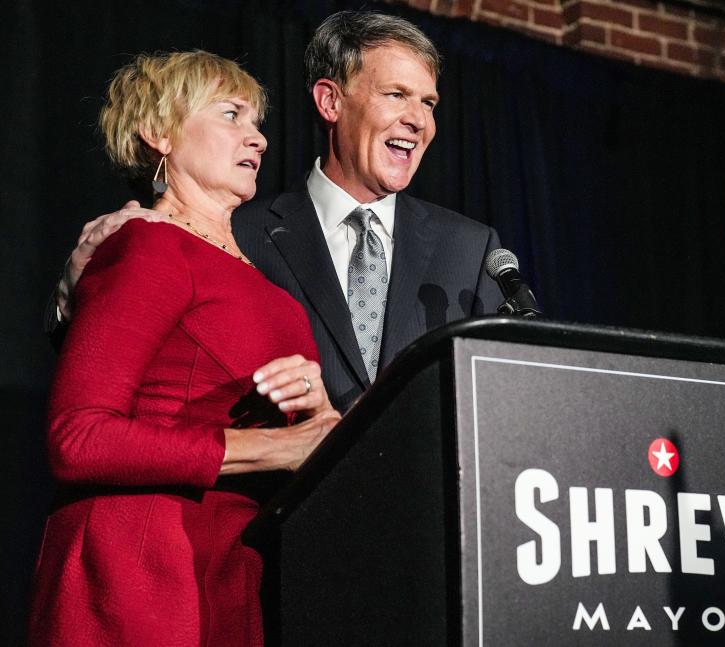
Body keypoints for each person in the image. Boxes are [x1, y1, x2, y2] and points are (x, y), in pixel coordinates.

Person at [30, 51, 340, 647]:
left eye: (259, 124)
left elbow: (304, 450)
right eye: (232, 114)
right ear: (159, 133)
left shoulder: (264, 277)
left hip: (232, 568)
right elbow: (79, 438)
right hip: (140, 577)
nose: (258, 139)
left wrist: (320, 415)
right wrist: (277, 444)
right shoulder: (149, 246)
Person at [52, 11, 504, 413]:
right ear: (330, 101)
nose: (419, 120)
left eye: (428, 103)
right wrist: (70, 296)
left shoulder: (470, 248)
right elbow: (120, 372)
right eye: (396, 95)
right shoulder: (231, 235)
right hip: (272, 500)